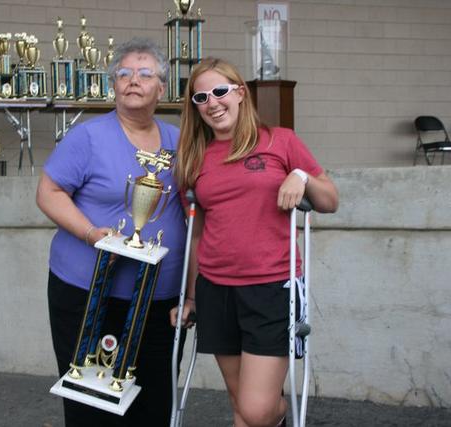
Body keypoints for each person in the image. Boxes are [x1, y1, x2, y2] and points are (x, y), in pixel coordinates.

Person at [171, 57, 339, 427]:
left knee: (258, 409)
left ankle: (278, 417)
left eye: (219, 91)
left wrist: (301, 176)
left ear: (240, 93)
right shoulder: (193, 158)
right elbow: (196, 232)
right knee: (242, 407)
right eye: (201, 98)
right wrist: (192, 296)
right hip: (216, 290)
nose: (212, 103)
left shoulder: (281, 141)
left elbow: (330, 200)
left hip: (271, 287)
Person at [36, 37, 187, 427]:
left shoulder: (179, 142)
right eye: (123, 73)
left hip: (161, 301)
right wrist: (91, 234)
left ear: (162, 87)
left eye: (144, 73)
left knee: (154, 404)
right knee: (92, 406)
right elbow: (48, 193)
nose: (133, 80)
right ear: (113, 85)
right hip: (89, 295)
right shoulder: (88, 137)